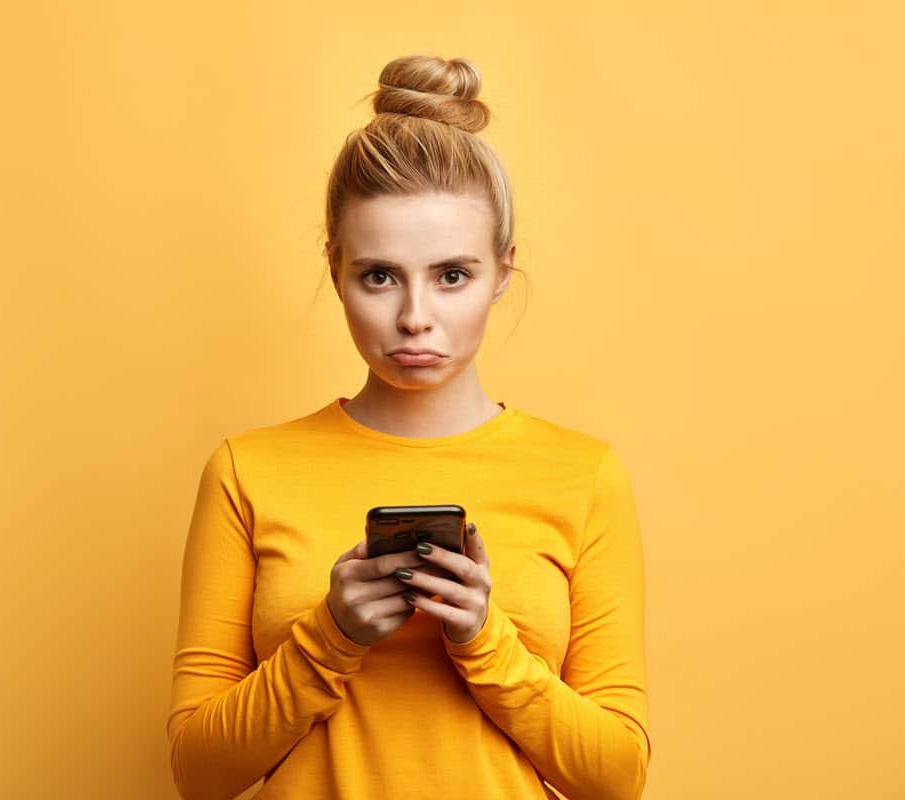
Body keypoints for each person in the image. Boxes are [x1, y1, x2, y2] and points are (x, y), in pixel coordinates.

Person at [166, 54, 651, 800]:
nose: (415, 316)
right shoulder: (246, 471)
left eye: (451, 274)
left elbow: (616, 778)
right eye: (379, 275)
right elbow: (199, 775)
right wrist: (332, 635)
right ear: (336, 270)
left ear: (500, 273)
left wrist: (485, 641)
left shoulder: (584, 475)